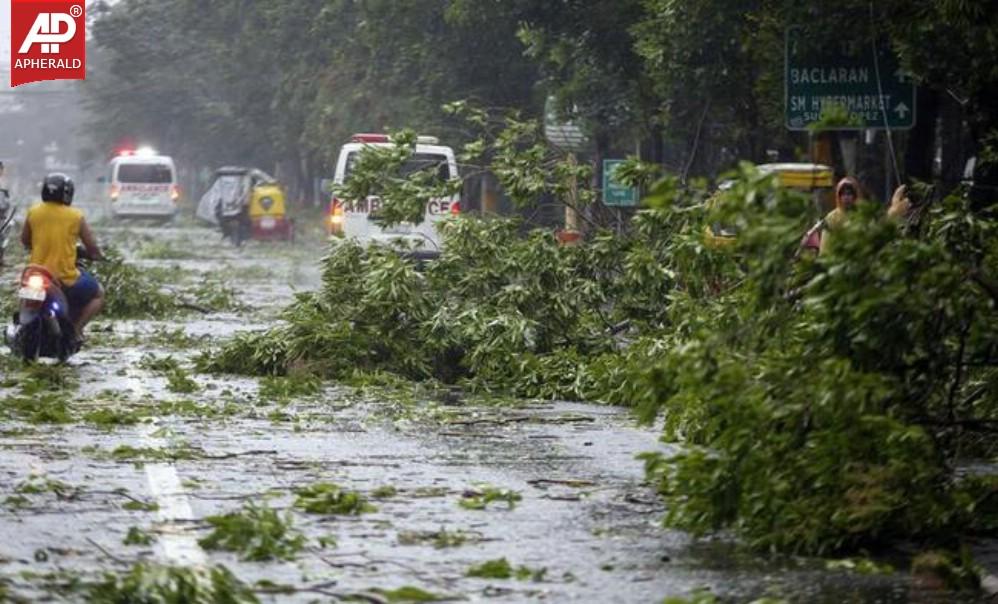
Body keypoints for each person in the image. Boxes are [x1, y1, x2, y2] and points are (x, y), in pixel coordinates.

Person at [21, 173, 104, 342]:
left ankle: (22, 328)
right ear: (68, 193)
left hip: (35, 275)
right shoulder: (76, 216)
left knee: (23, 294)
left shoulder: (33, 212)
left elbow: (24, 240)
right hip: (65, 278)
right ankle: (75, 331)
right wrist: (96, 255)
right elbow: (93, 248)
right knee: (99, 293)